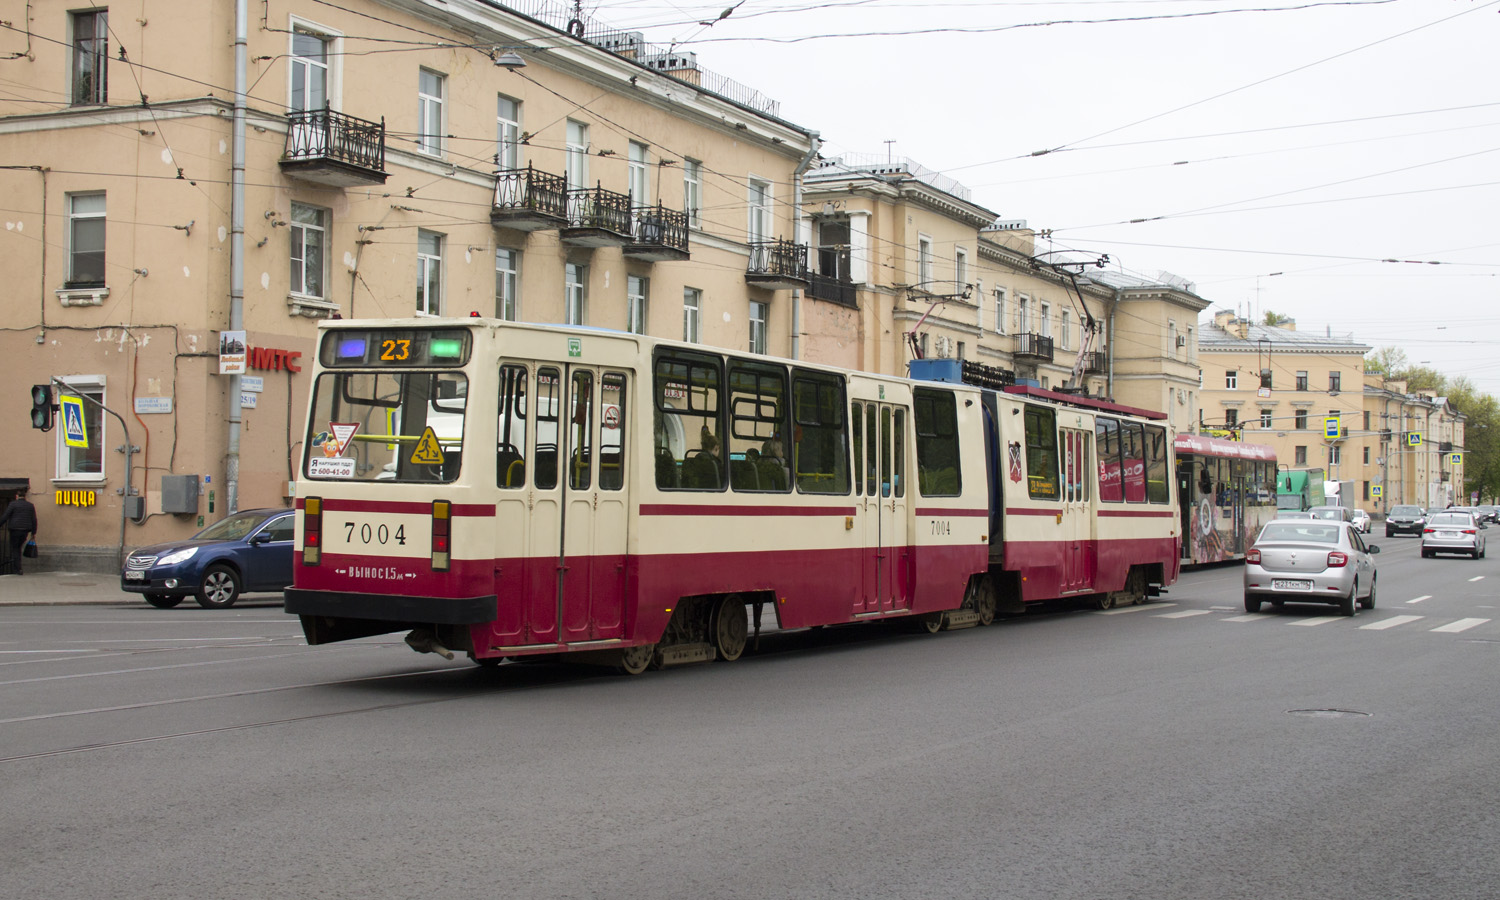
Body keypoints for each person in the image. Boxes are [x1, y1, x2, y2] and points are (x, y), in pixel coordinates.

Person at [0, 489, 38, 575]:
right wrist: (33, 532)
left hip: (14, 530)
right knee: (19, 548)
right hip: (25, 530)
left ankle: (17, 569)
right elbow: (34, 520)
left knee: (15, 548)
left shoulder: (13, 504)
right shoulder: (30, 506)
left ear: (17, 496)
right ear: (24, 497)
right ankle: (18, 568)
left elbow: (5, 516)